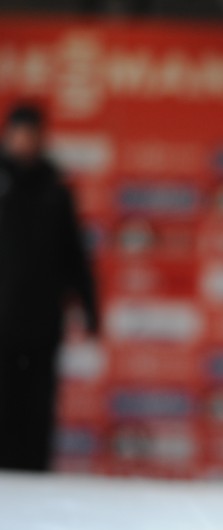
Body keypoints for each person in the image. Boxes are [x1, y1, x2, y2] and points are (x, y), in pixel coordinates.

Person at [0, 103, 100, 471]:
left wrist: (90, 309)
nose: (25, 141)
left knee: (38, 408)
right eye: (19, 132)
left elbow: (74, 256)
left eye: (32, 133)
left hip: (42, 322)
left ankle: (35, 476)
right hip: (2, 321)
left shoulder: (55, 191)